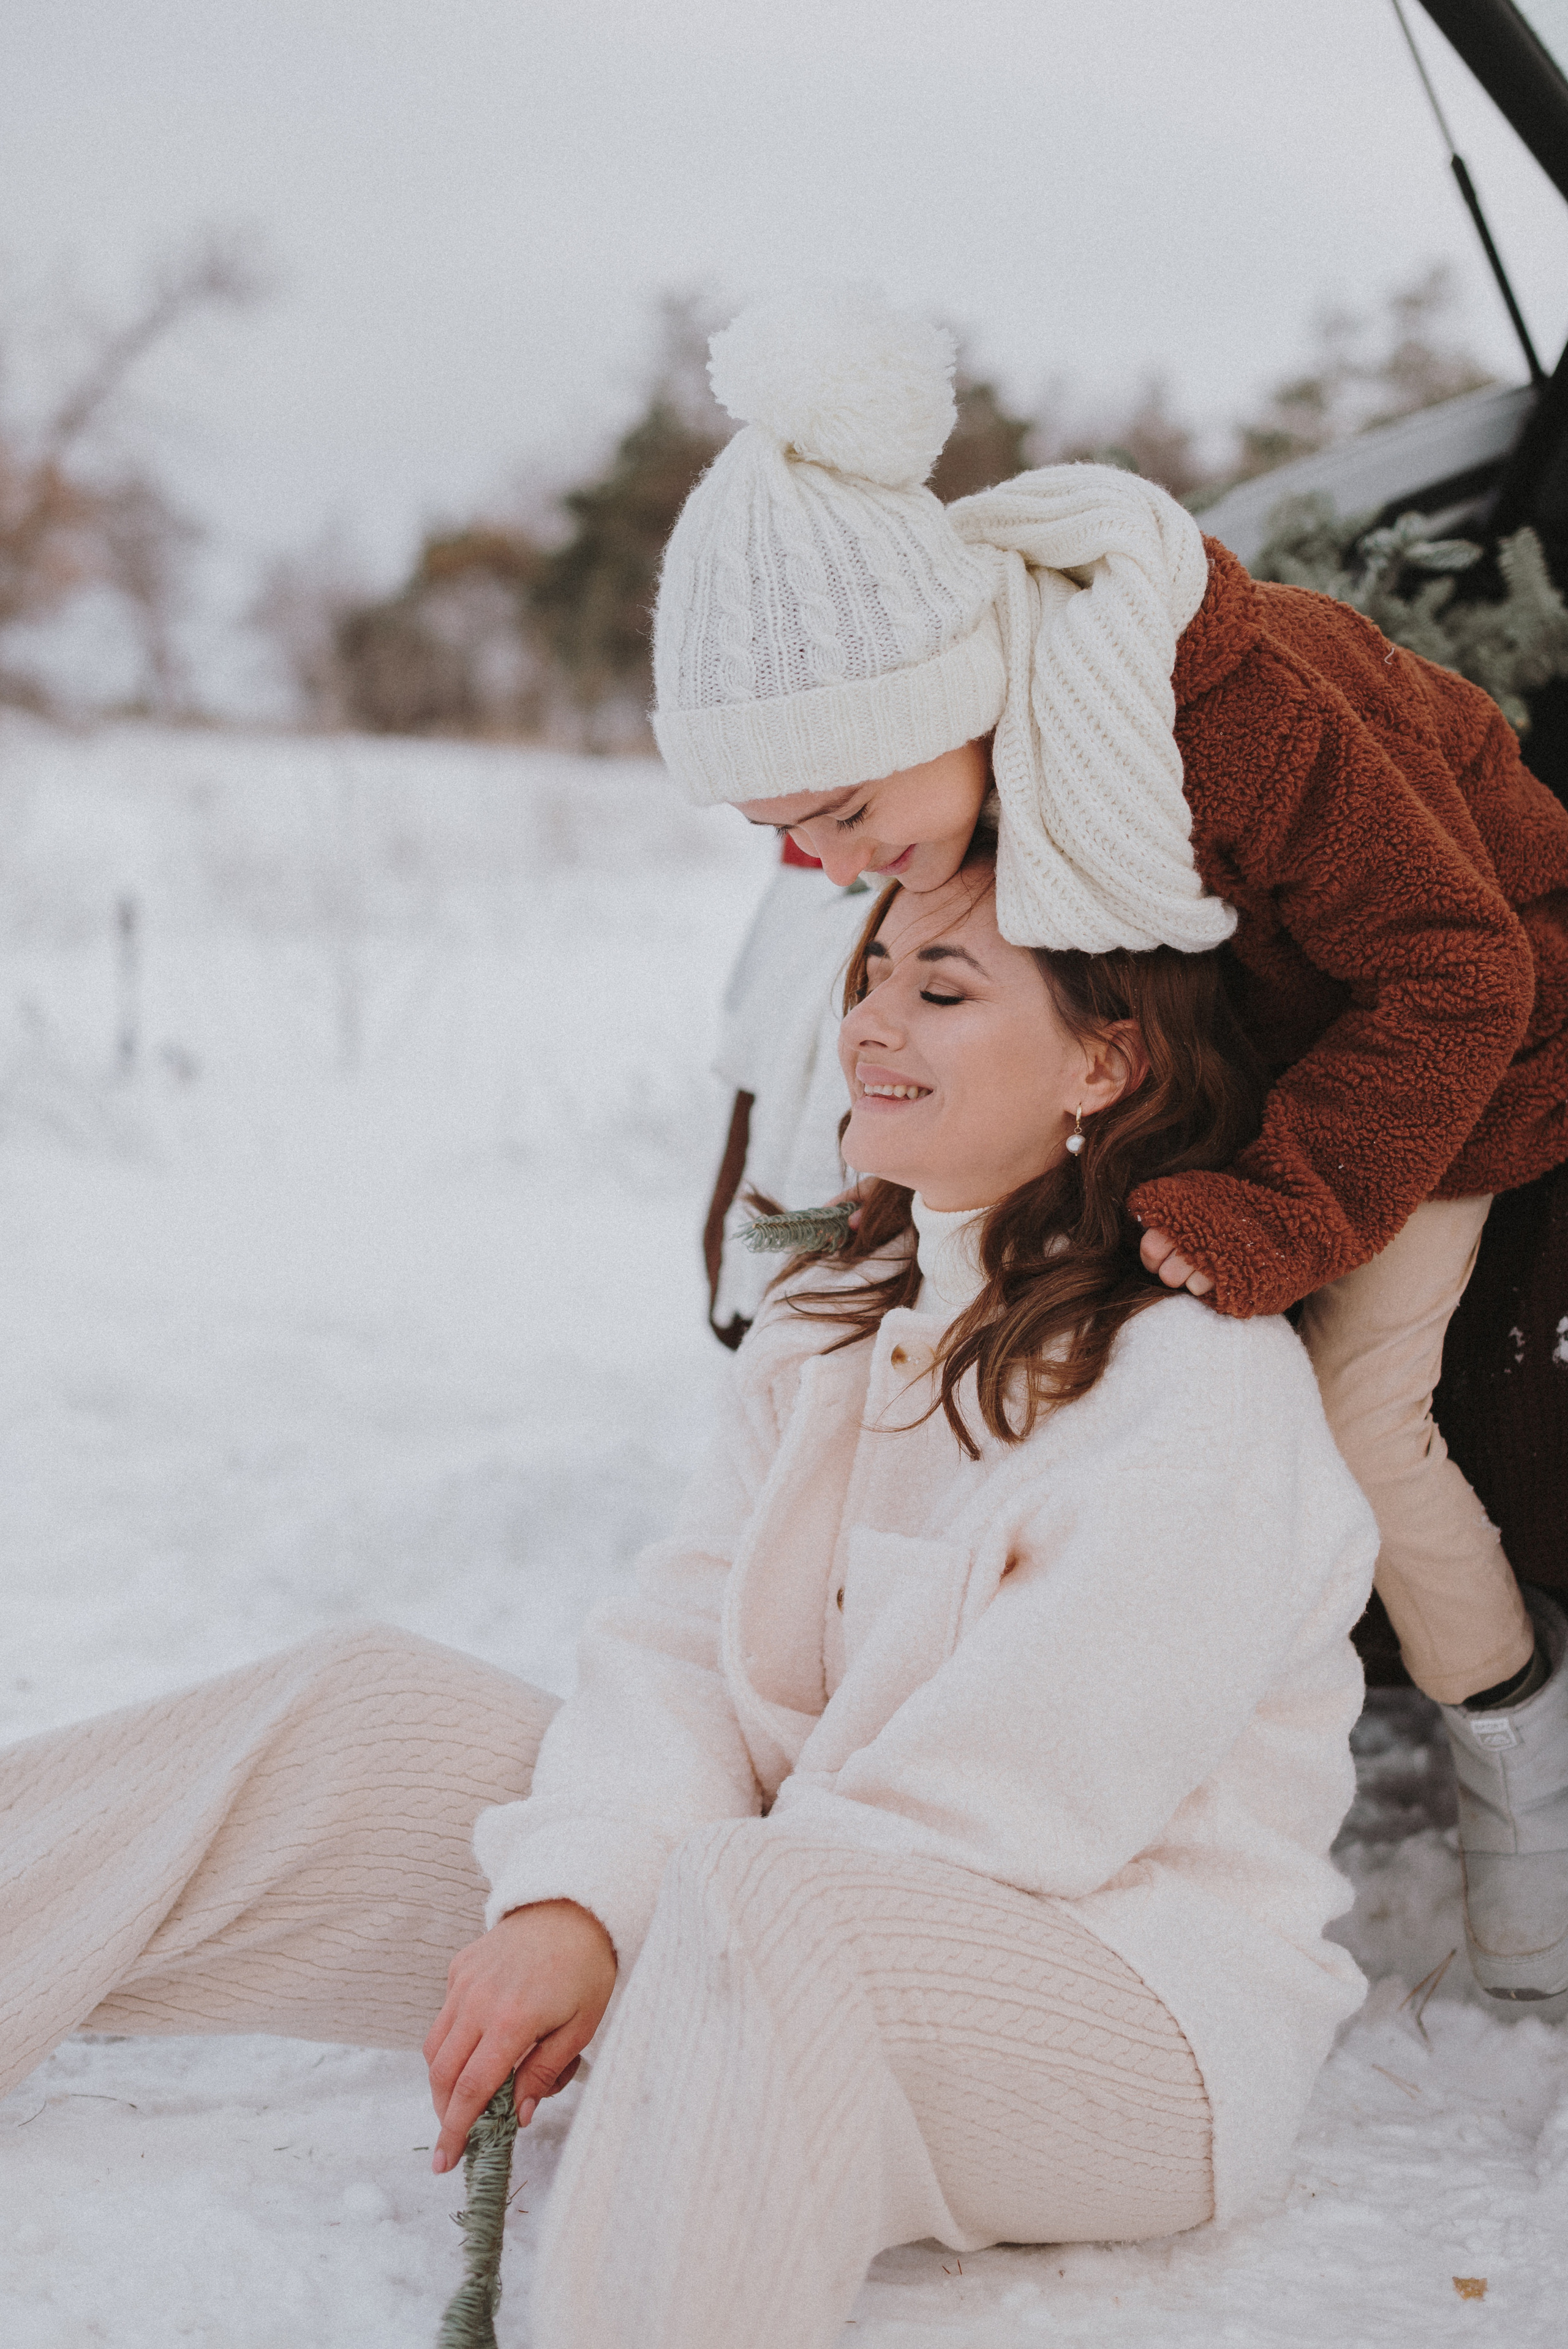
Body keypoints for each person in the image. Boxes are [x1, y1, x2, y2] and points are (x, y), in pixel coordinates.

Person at [2, 858, 1378, 2349]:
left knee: (756, 1905)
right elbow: (678, 1642)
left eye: (940, 988)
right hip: (778, 1903)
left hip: (1123, 2009)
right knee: (368, 1707)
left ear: (1104, 1061)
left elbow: (1004, 1811)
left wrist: (636, 1919)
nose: (868, 1022)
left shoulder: (1192, 1385)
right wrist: (568, 1897)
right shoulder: (833, 1312)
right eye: (869, 973)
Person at [655, 284, 1568, 2003]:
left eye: (848, 811)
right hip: (1252, 1034)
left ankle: (1516, 1728)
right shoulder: (974, 763)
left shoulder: (1229, 712)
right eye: (796, 838)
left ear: (937, 690)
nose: (851, 864)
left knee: (1357, 1410)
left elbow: (1459, 970)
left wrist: (1289, 1210)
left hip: (1464, 1033)